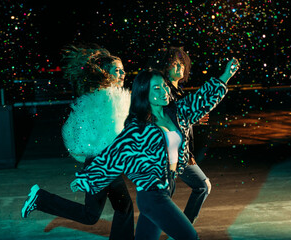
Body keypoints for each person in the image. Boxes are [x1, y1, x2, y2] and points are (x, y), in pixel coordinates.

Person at [70, 58, 240, 240]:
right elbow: (114, 155)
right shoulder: (138, 128)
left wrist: (226, 75)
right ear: (145, 94)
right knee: (190, 236)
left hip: (168, 187)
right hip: (152, 195)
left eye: (165, 86)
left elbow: (201, 100)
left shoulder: (176, 112)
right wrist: (87, 179)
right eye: (156, 89)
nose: (165, 91)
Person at [21, 44, 134, 240]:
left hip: (103, 162)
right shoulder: (105, 98)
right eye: (117, 70)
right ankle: (41, 199)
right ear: (105, 73)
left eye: (123, 69)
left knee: (119, 209)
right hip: (101, 163)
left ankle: (41, 199)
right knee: (101, 213)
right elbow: (113, 135)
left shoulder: (106, 96)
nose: (123, 73)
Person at [146, 47, 212, 224]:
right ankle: (182, 229)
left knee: (199, 187)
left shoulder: (178, 93)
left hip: (178, 154)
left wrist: (193, 119)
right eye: (174, 64)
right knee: (197, 187)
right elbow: (167, 121)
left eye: (182, 63)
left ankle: (181, 229)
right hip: (166, 155)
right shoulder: (164, 92)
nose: (180, 67)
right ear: (165, 67)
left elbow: (179, 121)